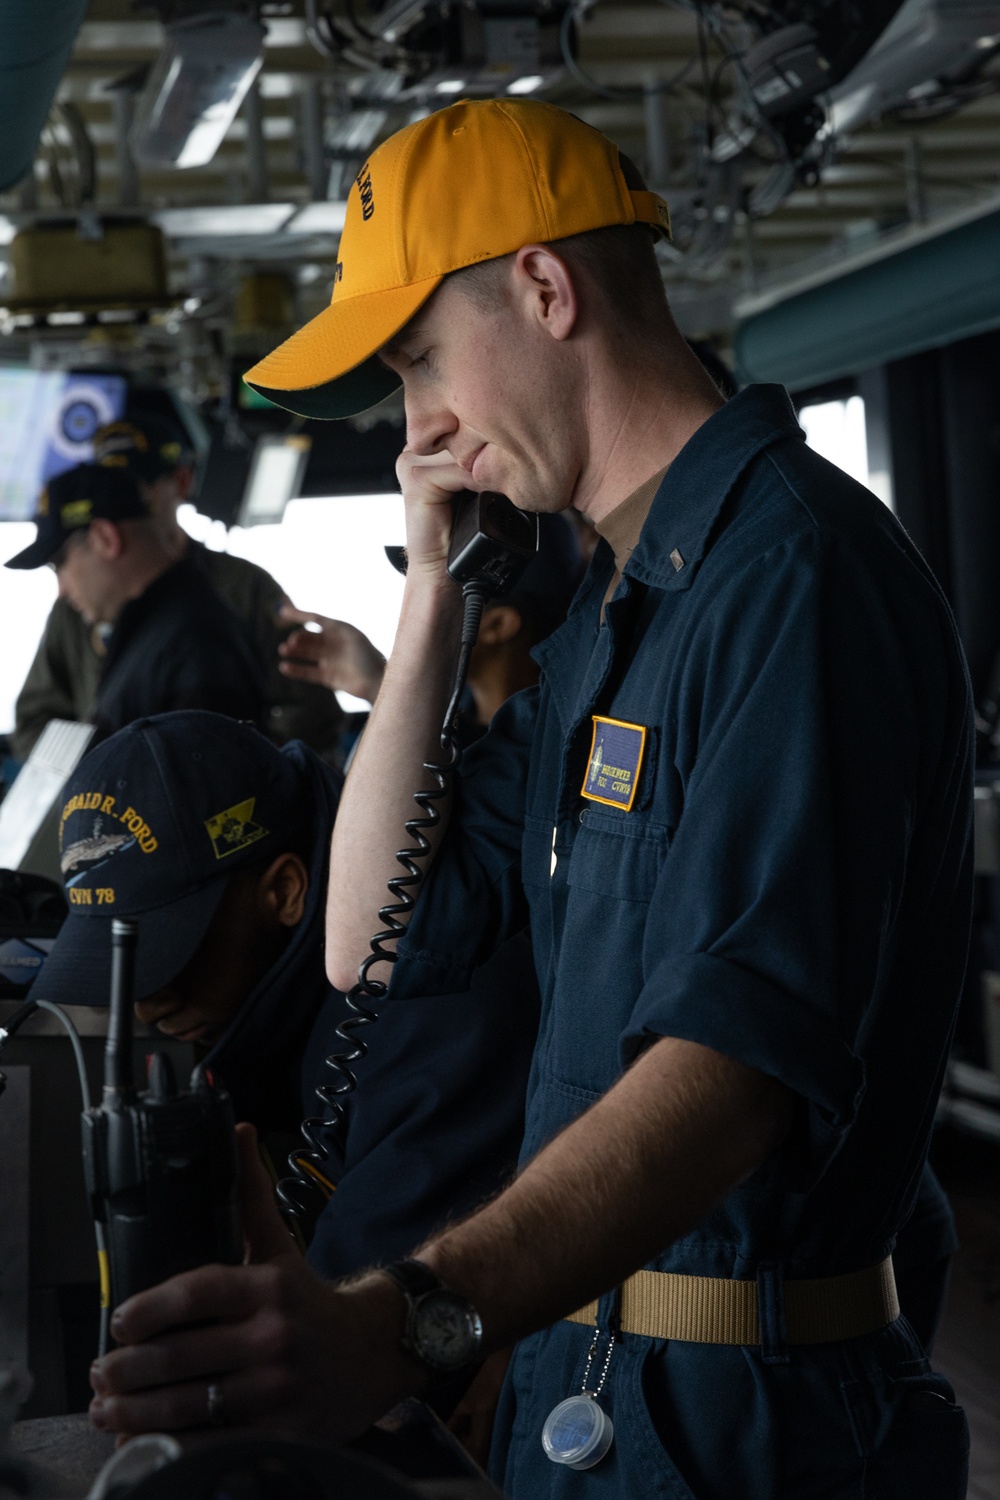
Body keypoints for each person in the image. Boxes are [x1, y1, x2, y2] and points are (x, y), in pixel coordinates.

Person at [86, 99, 972, 1500]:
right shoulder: (616, 620)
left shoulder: (788, 578)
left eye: (422, 360)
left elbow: (729, 1070)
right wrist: (434, 578)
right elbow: (364, 937)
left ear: (547, 289)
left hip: (743, 1424)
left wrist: (404, 1323)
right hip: (594, 1386)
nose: (419, 425)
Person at [35, 708, 539, 1288]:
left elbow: (363, 1347)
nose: (142, 1004)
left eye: (167, 956)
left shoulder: (428, 1020)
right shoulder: (275, 1016)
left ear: (284, 891)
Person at [11, 414, 342, 762]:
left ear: (181, 482)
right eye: (106, 484)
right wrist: (100, 768)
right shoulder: (75, 604)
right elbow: (35, 719)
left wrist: (257, 765)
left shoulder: (242, 590)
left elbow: (309, 713)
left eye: (134, 485)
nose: (119, 502)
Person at [5, 464, 265, 736]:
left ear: (105, 538)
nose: (62, 589)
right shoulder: (153, 631)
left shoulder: (197, 641)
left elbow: (197, 774)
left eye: (60, 564)